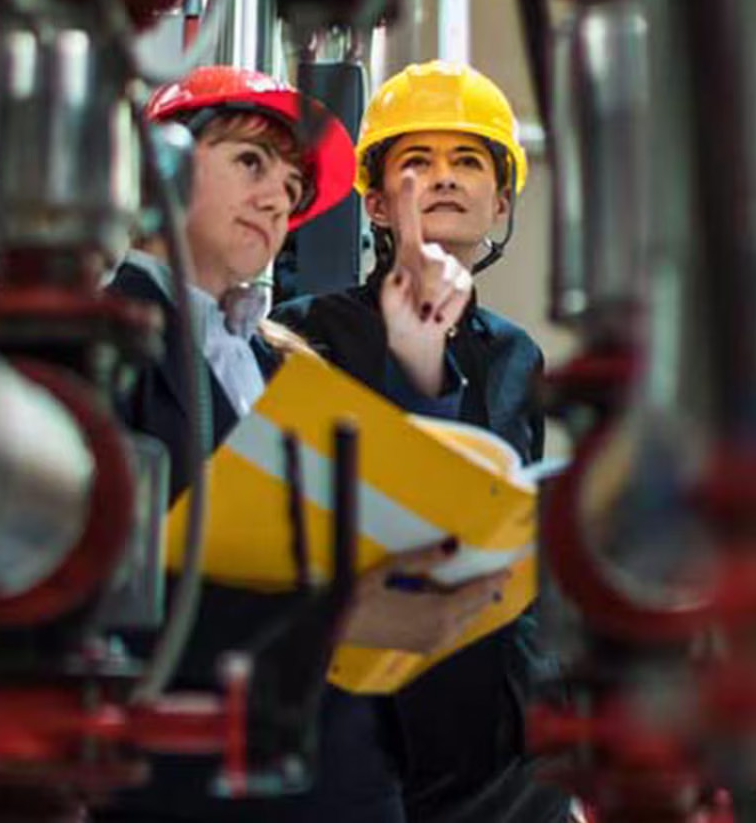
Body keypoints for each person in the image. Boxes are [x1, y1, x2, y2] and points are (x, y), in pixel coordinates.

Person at [101, 66, 508, 823]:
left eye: (291, 189)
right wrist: (335, 617)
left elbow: (377, 517)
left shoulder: (278, 361)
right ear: (158, 166)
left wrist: (418, 360)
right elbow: (99, 594)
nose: (275, 200)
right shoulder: (98, 347)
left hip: (339, 778)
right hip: (189, 790)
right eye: (250, 163)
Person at [273, 60, 570, 823]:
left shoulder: (516, 353)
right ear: (374, 198)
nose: (444, 177)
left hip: (502, 734)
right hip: (371, 724)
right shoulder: (307, 331)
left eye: (468, 160)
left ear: (500, 200)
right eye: (418, 161)